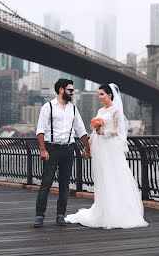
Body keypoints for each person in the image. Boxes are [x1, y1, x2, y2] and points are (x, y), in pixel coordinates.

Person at [65, 83, 148, 229]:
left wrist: (105, 132)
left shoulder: (116, 111)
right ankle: (102, 210)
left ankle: (115, 212)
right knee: (101, 178)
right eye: (99, 95)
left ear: (110, 95)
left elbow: (119, 131)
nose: (100, 97)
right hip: (99, 148)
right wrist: (88, 147)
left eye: (102, 94)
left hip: (110, 148)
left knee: (113, 177)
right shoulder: (100, 110)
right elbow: (94, 132)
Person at [34, 79, 90, 227]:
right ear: (61, 90)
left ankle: (60, 215)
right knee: (46, 183)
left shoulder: (73, 109)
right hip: (51, 149)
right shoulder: (48, 107)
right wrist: (43, 150)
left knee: (64, 185)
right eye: (70, 90)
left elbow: (82, 130)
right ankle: (39, 216)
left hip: (68, 149)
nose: (72, 93)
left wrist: (88, 148)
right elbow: (40, 130)